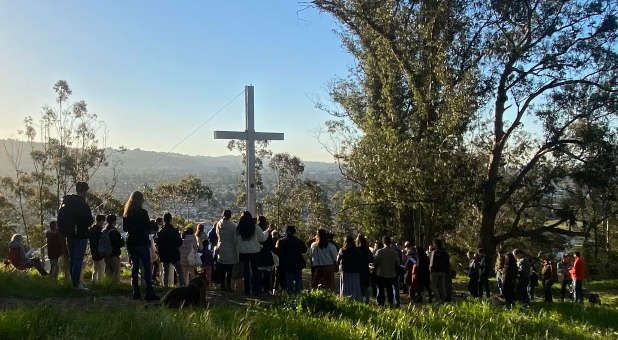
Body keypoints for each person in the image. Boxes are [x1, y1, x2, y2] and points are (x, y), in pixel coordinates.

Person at [123, 191, 159, 300]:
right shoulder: (143, 213)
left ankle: (136, 291)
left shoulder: (127, 213)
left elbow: (125, 229)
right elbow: (148, 228)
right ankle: (149, 291)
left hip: (131, 242)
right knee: (147, 267)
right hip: (141, 242)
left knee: (135, 267)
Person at [57, 181, 93, 290]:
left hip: (69, 235)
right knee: (78, 260)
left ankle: (75, 283)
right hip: (80, 235)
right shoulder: (82, 204)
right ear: (84, 191)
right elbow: (89, 220)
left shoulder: (67, 202)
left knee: (72, 259)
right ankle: (77, 285)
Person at [237, 211, 271, 296]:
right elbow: (262, 238)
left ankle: (247, 290)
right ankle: (256, 289)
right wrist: (267, 231)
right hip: (254, 252)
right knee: (255, 271)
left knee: (246, 271)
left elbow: (235, 240)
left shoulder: (239, 227)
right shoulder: (255, 227)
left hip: (243, 252)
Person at [274, 225, 307, 295]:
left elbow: (278, 252)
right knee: (298, 280)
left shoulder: (281, 241)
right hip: (298, 264)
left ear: (286, 232)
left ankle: (291, 296)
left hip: (287, 265)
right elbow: (305, 250)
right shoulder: (298, 241)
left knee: (289, 281)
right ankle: (298, 295)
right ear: (294, 232)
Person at [156, 213, 185, 287]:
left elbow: (158, 244)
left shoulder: (161, 232)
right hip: (174, 253)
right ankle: (182, 285)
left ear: (164, 220)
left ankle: (165, 286)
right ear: (171, 219)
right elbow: (180, 242)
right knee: (179, 271)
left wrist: (160, 253)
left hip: (164, 254)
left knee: (166, 272)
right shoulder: (175, 231)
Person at [373, 236, 400, 307]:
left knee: (381, 290)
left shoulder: (379, 251)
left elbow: (375, 262)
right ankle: (390, 303)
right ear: (390, 242)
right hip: (391, 274)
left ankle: (380, 303)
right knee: (390, 290)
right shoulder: (394, 253)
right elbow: (398, 263)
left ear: (383, 242)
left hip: (381, 273)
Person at [215, 210, 238, 291]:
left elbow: (217, 235)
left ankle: (222, 285)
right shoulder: (233, 225)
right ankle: (228, 285)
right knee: (229, 270)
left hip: (221, 247)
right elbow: (235, 239)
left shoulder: (218, 224)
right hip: (230, 249)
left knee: (222, 269)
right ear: (230, 216)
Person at [338, 235, 363, 301]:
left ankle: (345, 299)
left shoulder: (342, 250)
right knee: (354, 286)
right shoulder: (357, 250)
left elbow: (337, 260)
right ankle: (355, 299)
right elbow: (360, 260)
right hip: (355, 271)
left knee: (345, 286)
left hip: (345, 271)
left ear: (345, 242)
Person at [256, 216, 275, 296]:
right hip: (267, 256)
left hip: (259, 256)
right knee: (267, 275)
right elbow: (271, 245)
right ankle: (267, 289)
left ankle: (260, 289)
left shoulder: (256, 230)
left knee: (259, 274)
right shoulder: (268, 233)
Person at [103, 214, 124, 283]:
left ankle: (107, 286)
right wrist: (122, 240)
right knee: (115, 273)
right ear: (114, 221)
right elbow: (119, 243)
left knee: (108, 273)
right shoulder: (114, 231)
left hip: (106, 255)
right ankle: (115, 288)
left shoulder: (104, 230)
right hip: (114, 255)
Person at [429, 239, 450, 303]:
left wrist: (430, 269)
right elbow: (447, 263)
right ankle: (443, 299)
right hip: (443, 272)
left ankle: (438, 299)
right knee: (442, 286)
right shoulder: (445, 253)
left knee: (433, 286)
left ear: (435, 244)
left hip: (435, 272)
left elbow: (431, 263)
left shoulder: (434, 252)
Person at [88, 214, 106, 283]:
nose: (103, 223)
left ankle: (94, 282)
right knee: (101, 268)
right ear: (101, 221)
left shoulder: (91, 229)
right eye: (103, 221)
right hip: (99, 252)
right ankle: (100, 282)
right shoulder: (99, 231)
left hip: (93, 251)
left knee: (95, 268)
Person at [356, 234, 373, 302]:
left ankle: (360, 301)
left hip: (358, 271)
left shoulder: (356, 249)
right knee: (365, 287)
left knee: (359, 287)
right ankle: (367, 301)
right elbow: (371, 260)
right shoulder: (367, 250)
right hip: (365, 270)